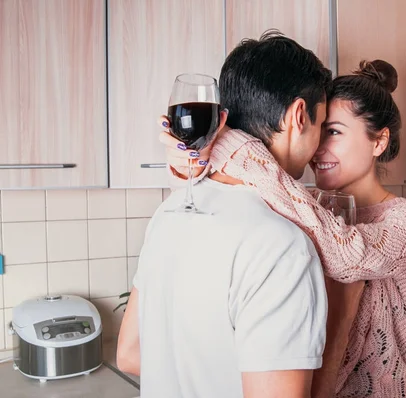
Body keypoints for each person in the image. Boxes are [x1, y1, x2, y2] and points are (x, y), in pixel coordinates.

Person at [162, 58, 406, 397]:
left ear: (379, 141)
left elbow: (347, 256)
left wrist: (228, 143)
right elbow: (235, 193)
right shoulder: (303, 201)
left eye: (334, 132)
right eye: (320, 129)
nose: (318, 148)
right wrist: (188, 162)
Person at [117, 31, 333, 398]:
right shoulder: (283, 246)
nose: (321, 146)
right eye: (323, 127)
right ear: (299, 116)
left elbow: (130, 355)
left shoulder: (168, 214)